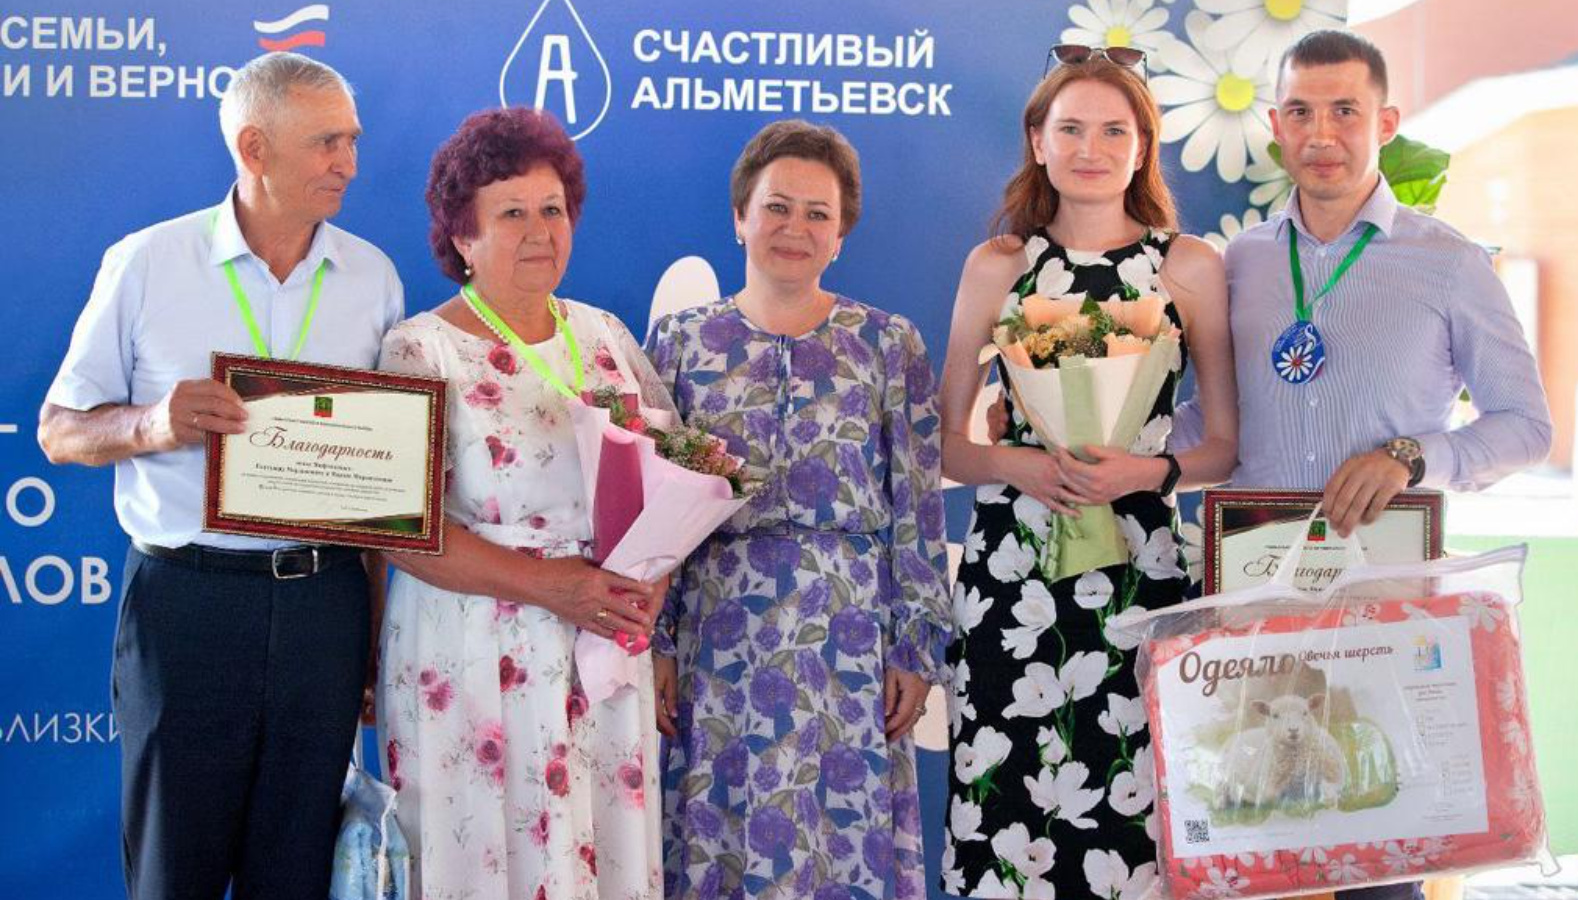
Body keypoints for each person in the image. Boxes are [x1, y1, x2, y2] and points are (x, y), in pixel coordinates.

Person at [1171, 29, 1552, 900]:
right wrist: (1095, 439)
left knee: (1377, 857)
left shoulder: (1450, 264)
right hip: (1253, 615)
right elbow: (1210, 422)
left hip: (1384, 613)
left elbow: (1527, 427)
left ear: (1385, 122)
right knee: (1243, 855)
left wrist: (1414, 459)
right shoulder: (1240, 264)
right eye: (1301, 112)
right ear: (1275, 126)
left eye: (1344, 110)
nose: (1322, 134)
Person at [37, 52, 401, 900]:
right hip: (188, 606)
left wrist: (374, 639)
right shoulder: (148, 262)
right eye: (326, 142)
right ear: (254, 147)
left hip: (324, 606)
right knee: (175, 873)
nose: (349, 163)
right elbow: (58, 430)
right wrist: (151, 424)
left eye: (351, 140)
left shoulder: (373, 278)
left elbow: (384, 490)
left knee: (297, 874)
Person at [937, 49, 1239, 897]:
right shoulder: (997, 264)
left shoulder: (1188, 265)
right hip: (1012, 570)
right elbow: (947, 446)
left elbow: (1222, 448)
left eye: (1114, 131)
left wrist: (1145, 471)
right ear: (1038, 141)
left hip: (1141, 568)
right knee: (1006, 806)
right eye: (1070, 129)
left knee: (1133, 809)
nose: (1090, 148)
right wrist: (1021, 467)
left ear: (1143, 148)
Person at [646, 119, 952, 900]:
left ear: (841, 235)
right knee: (721, 838)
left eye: (819, 213)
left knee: (838, 847)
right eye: (776, 207)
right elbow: (652, 508)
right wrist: (656, 641)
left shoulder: (889, 344)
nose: (795, 228)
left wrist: (915, 647)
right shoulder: (681, 343)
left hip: (849, 640)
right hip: (719, 636)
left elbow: (918, 507)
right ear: (739, 217)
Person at [375, 107, 668, 900]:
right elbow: (400, 534)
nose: (541, 232)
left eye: (553, 209)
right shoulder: (418, 349)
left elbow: (680, 481)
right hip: (471, 658)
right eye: (512, 214)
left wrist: (651, 583)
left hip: (602, 653)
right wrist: (551, 586)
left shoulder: (606, 335)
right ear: (462, 236)